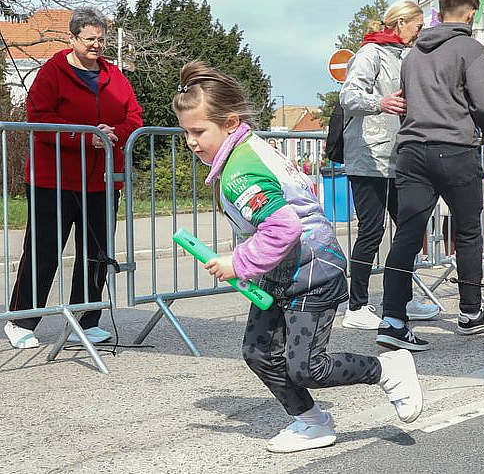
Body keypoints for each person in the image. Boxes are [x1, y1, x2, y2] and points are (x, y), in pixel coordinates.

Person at [171, 61, 422, 453]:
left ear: (230, 121)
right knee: (258, 353)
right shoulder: (247, 149)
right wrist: (253, 262)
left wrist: (237, 263)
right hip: (283, 271)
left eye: (199, 131)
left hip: (313, 273)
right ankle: (312, 423)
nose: (191, 141)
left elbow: (283, 228)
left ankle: (387, 369)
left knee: (306, 367)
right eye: (186, 131)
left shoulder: (241, 172)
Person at [5, 8, 142, 350]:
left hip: (102, 180)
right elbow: (39, 118)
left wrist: (112, 135)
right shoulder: (52, 71)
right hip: (53, 180)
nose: (97, 45)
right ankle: (21, 320)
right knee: (43, 251)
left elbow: (135, 117)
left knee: (96, 251)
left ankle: (89, 317)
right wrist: (85, 137)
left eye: (101, 39)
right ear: (73, 38)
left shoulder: (115, 76)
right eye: (90, 39)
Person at [376, 0, 484, 351]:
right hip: (455, 147)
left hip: (412, 149)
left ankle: (393, 319)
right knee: (466, 231)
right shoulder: (469, 47)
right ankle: (470, 311)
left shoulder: (412, 54)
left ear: (439, 12)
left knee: (406, 234)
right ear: (470, 13)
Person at [339, 0, 441, 330]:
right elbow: (348, 96)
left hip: (399, 158)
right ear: (399, 24)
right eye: (416, 25)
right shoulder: (371, 53)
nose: (420, 31)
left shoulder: (406, 56)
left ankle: (402, 300)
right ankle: (356, 307)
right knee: (372, 230)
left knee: (410, 229)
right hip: (368, 157)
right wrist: (379, 102)